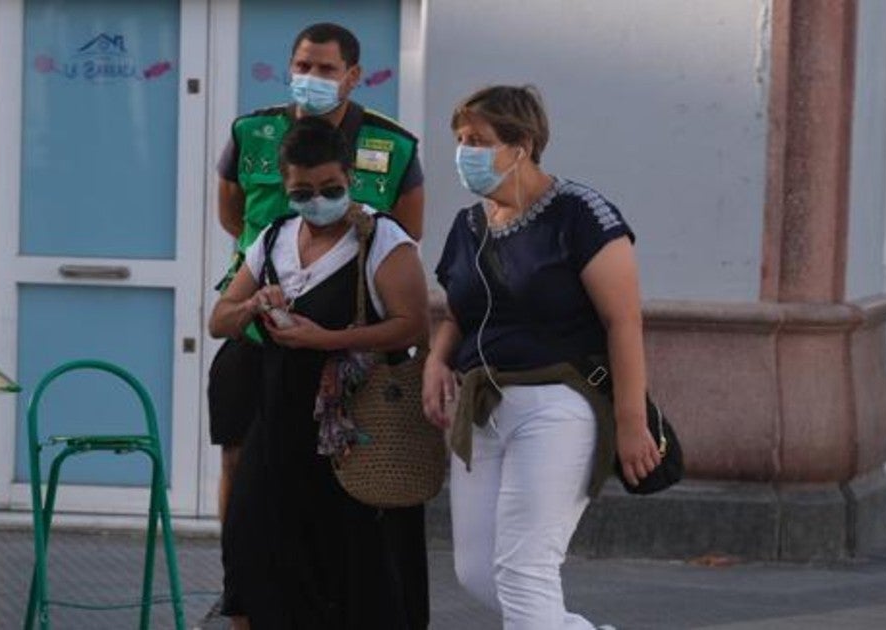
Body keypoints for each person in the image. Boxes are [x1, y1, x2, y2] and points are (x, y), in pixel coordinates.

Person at [422, 85, 661, 629]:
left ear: (522, 144)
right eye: (460, 139)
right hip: (483, 408)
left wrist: (631, 422)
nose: (464, 151)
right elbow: (458, 312)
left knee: (524, 572)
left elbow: (623, 321)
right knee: (478, 573)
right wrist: (437, 359)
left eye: (478, 140)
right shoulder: (469, 226)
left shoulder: (580, 213)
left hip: (558, 404)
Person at [209, 117, 430, 628]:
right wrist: (254, 306)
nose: (316, 200)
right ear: (285, 187)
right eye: (301, 191)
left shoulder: (381, 239)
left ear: (350, 177)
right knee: (254, 549)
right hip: (279, 424)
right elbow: (220, 318)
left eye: (330, 189)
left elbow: (411, 325)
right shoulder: (274, 238)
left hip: (353, 436)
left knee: (354, 570)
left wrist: (325, 340)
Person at [209, 19, 424, 527]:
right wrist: (275, 267)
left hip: (346, 340)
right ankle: (237, 577)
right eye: (303, 66)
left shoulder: (391, 145)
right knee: (240, 460)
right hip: (259, 325)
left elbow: (407, 230)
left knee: (334, 468)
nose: (313, 76)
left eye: (327, 68)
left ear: (353, 76)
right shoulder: (251, 131)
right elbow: (232, 217)